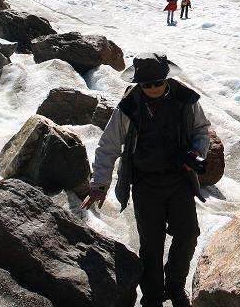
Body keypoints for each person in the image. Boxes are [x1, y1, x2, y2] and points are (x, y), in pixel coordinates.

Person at [82, 53, 211, 307]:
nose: (152, 88)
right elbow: (108, 146)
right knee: (151, 244)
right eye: (146, 84)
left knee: (187, 234)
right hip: (145, 185)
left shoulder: (186, 99)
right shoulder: (128, 108)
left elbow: (201, 130)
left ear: (166, 79)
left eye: (157, 82)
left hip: (179, 180)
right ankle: (152, 295)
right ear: (139, 84)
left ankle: (174, 285)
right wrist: (99, 184)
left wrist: (196, 152)